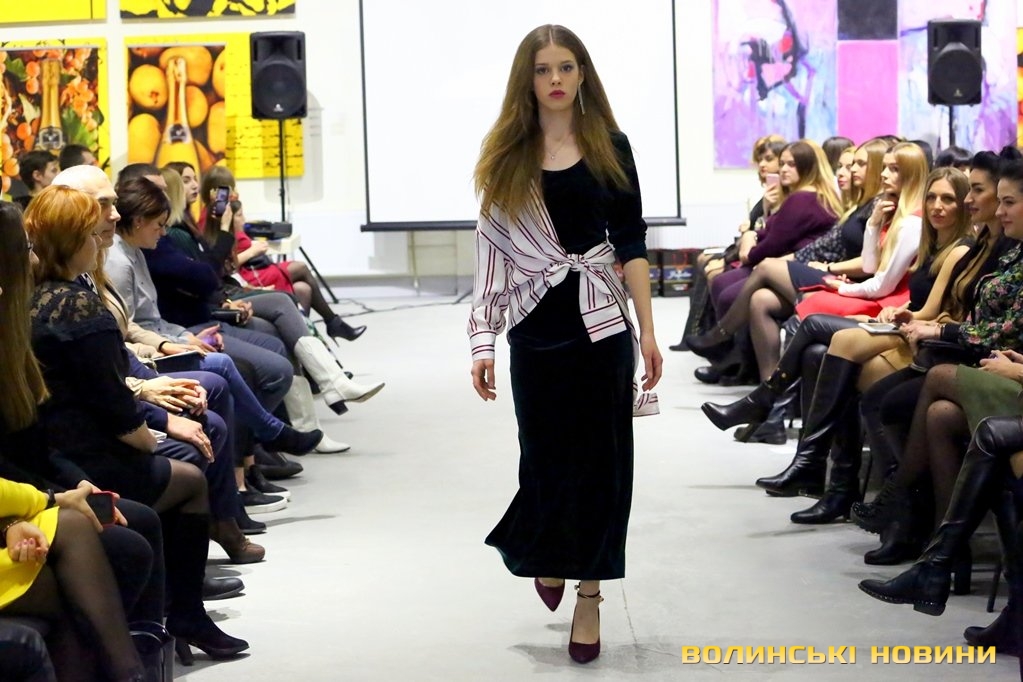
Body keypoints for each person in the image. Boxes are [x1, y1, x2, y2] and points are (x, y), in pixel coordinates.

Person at [468, 24, 662, 665]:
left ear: (583, 74)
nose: (555, 79)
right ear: (527, 80)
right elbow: (492, 253)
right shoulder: (507, 153)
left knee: (604, 462)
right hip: (535, 330)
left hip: (602, 326)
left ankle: (590, 593)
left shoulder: (610, 145)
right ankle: (549, 550)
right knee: (545, 460)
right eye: (543, 69)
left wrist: (648, 331)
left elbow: (631, 239)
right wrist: (483, 342)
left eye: (567, 67)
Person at [24, 186, 249, 661]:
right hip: (83, 455)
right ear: (74, 241)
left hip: (56, 447)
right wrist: (156, 432)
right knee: (189, 477)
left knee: (190, 440)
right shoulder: (79, 306)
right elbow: (116, 408)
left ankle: (178, 610)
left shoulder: (33, 298)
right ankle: (185, 613)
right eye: (93, 234)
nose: (101, 239)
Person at [198, 166, 367, 342]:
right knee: (301, 270)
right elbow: (221, 264)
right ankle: (322, 328)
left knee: (303, 288)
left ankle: (311, 335)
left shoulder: (223, 213)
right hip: (245, 275)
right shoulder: (213, 219)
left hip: (249, 270)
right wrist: (252, 251)